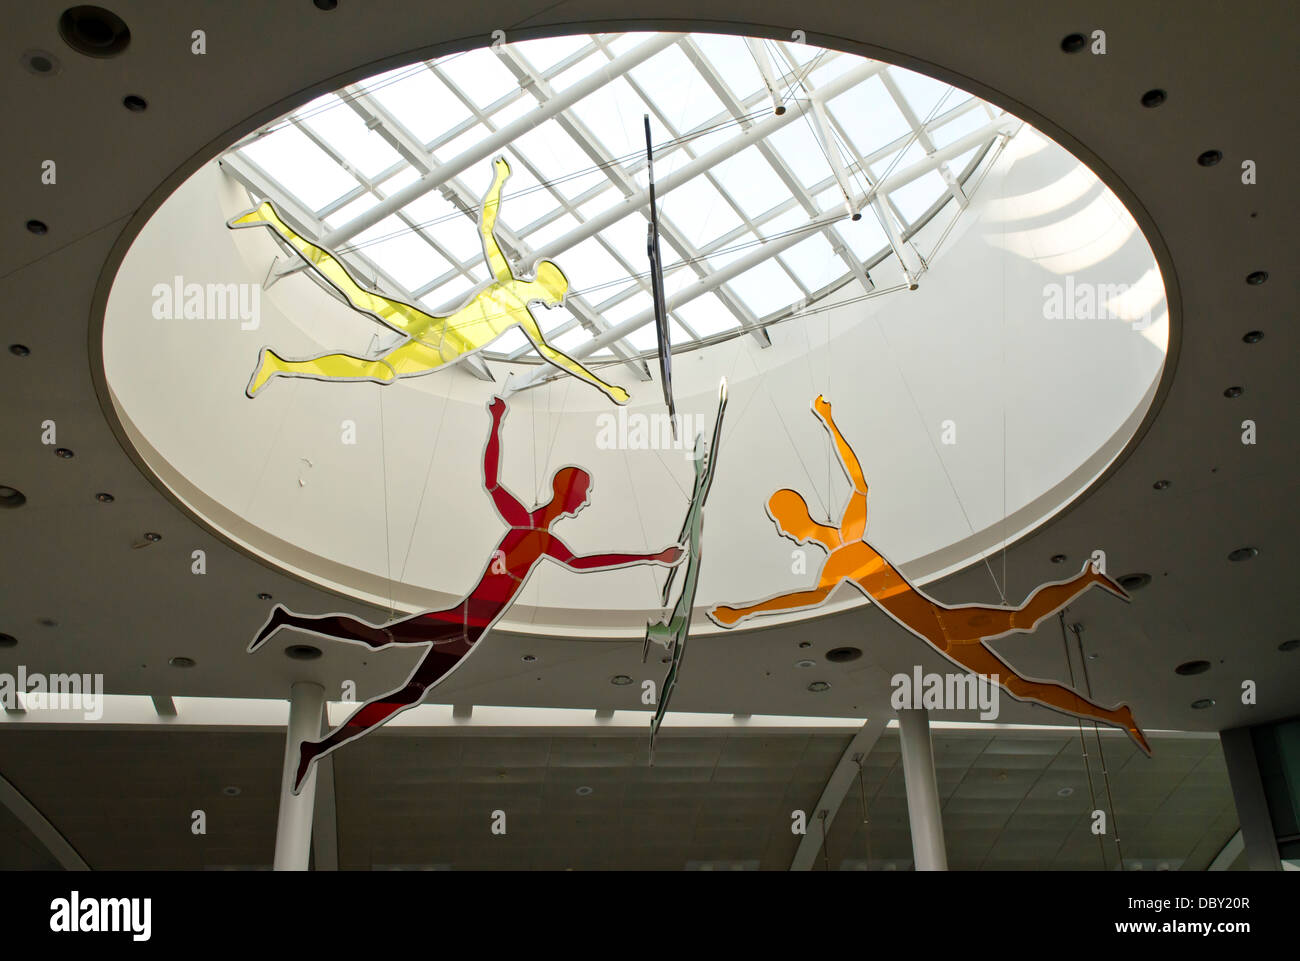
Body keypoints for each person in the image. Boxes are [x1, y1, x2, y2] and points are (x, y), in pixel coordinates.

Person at [252, 396, 681, 791]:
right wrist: (495, 423)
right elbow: (500, 489)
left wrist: (651, 557)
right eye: (583, 491)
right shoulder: (529, 530)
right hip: (461, 621)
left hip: (467, 633)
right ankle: (288, 620)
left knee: (407, 691)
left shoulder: (539, 535)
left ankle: (317, 746)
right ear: (568, 491)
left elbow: (574, 557)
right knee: (378, 640)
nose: (585, 500)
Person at [708, 395, 1149, 753]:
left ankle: (1088, 580)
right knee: (1021, 680)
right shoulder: (843, 542)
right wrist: (828, 423)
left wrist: (744, 613)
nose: (783, 533)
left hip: (944, 624)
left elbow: (814, 591)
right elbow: (858, 486)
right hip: (943, 635)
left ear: (795, 516)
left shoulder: (844, 548)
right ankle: (1116, 713)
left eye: (781, 522)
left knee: (1023, 626)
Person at [228, 157, 630, 404]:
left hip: (436, 345)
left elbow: (554, 355)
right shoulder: (508, 289)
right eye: (557, 295)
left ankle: (280, 363)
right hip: (434, 332)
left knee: (376, 359)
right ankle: (274, 221)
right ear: (548, 289)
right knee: (358, 298)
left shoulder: (519, 310)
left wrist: (604, 387)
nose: (555, 302)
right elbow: (487, 227)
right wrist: (499, 182)